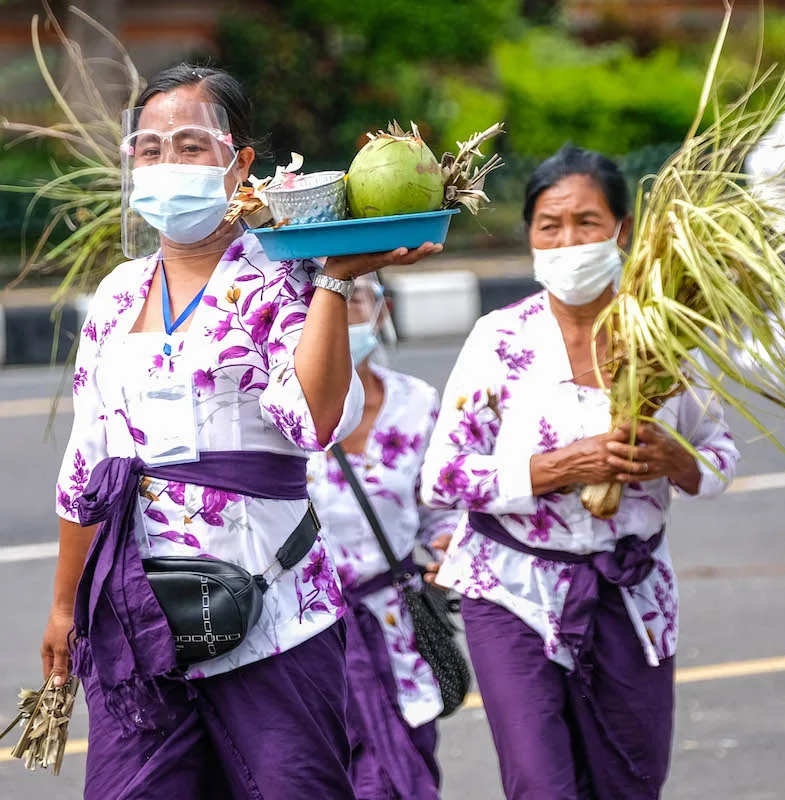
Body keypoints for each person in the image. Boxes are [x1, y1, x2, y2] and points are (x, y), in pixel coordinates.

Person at [40, 64, 441, 799]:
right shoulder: (118, 292)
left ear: (239, 164)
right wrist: (67, 604)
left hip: (274, 615)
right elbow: (87, 463)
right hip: (135, 620)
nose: (167, 164)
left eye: (191, 146)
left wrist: (336, 278)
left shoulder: (278, 279)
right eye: (151, 149)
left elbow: (314, 420)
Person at [420, 144, 740, 800]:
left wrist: (675, 461)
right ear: (531, 236)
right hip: (510, 592)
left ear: (621, 230)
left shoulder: (666, 338)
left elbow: (720, 455)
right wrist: (558, 467)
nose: (569, 240)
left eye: (588, 222)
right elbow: (444, 478)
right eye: (550, 225)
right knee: (541, 784)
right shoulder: (499, 339)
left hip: (629, 592)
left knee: (630, 782)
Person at [307, 276, 459, 800]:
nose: (342, 314)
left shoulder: (419, 404)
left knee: (406, 770)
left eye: (355, 299)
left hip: (399, 634)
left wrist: (448, 550)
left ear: (381, 309)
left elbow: (438, 510)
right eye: (328, 300)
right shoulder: (278, 410)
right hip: (309, 635)